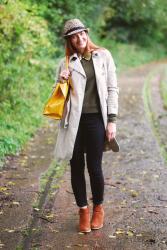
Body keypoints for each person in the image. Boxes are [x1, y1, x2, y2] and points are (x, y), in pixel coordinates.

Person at [53, 19, 119, 233]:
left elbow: (112, 89)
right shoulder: (65, 62)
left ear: (86, 33)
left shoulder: (103, 56)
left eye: (82, 34)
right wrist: (61, 81)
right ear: (69, 41)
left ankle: (98, 208)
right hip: (73, 122)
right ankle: (83, 210)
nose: (79, 38)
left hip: (95, 120)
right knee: (76, 167)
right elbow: (57, 96)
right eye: (74, 36)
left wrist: (112, 120)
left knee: (94, 166)